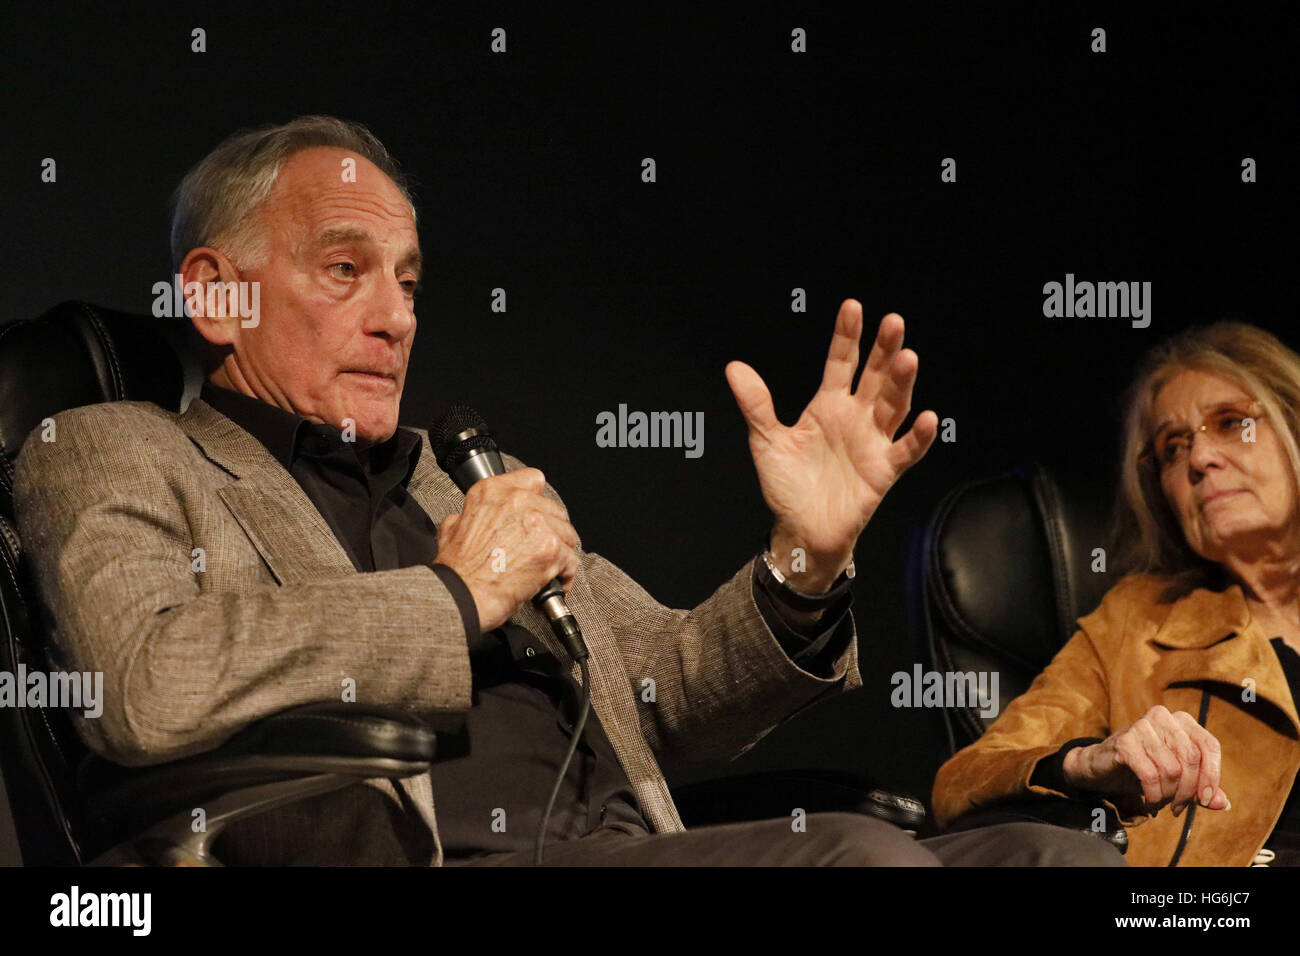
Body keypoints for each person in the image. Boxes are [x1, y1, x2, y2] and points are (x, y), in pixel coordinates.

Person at [14, 116, 1120, 866]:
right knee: (859, 858)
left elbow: (666, 692)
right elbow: (143, 680)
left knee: (1058, 857)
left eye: (408, 280)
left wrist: (802, 560)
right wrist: (452, 596)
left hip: (624, 847)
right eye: (344, 269)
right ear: (215, 297)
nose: (396, 315)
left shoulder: (462, 478)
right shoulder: (113, 446)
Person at [932, 321, 1300, 866]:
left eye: (1229, 423)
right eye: (1174, 448)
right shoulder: (1136, 624)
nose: (1199, 460)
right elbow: (961, 783)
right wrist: (1087, 763)